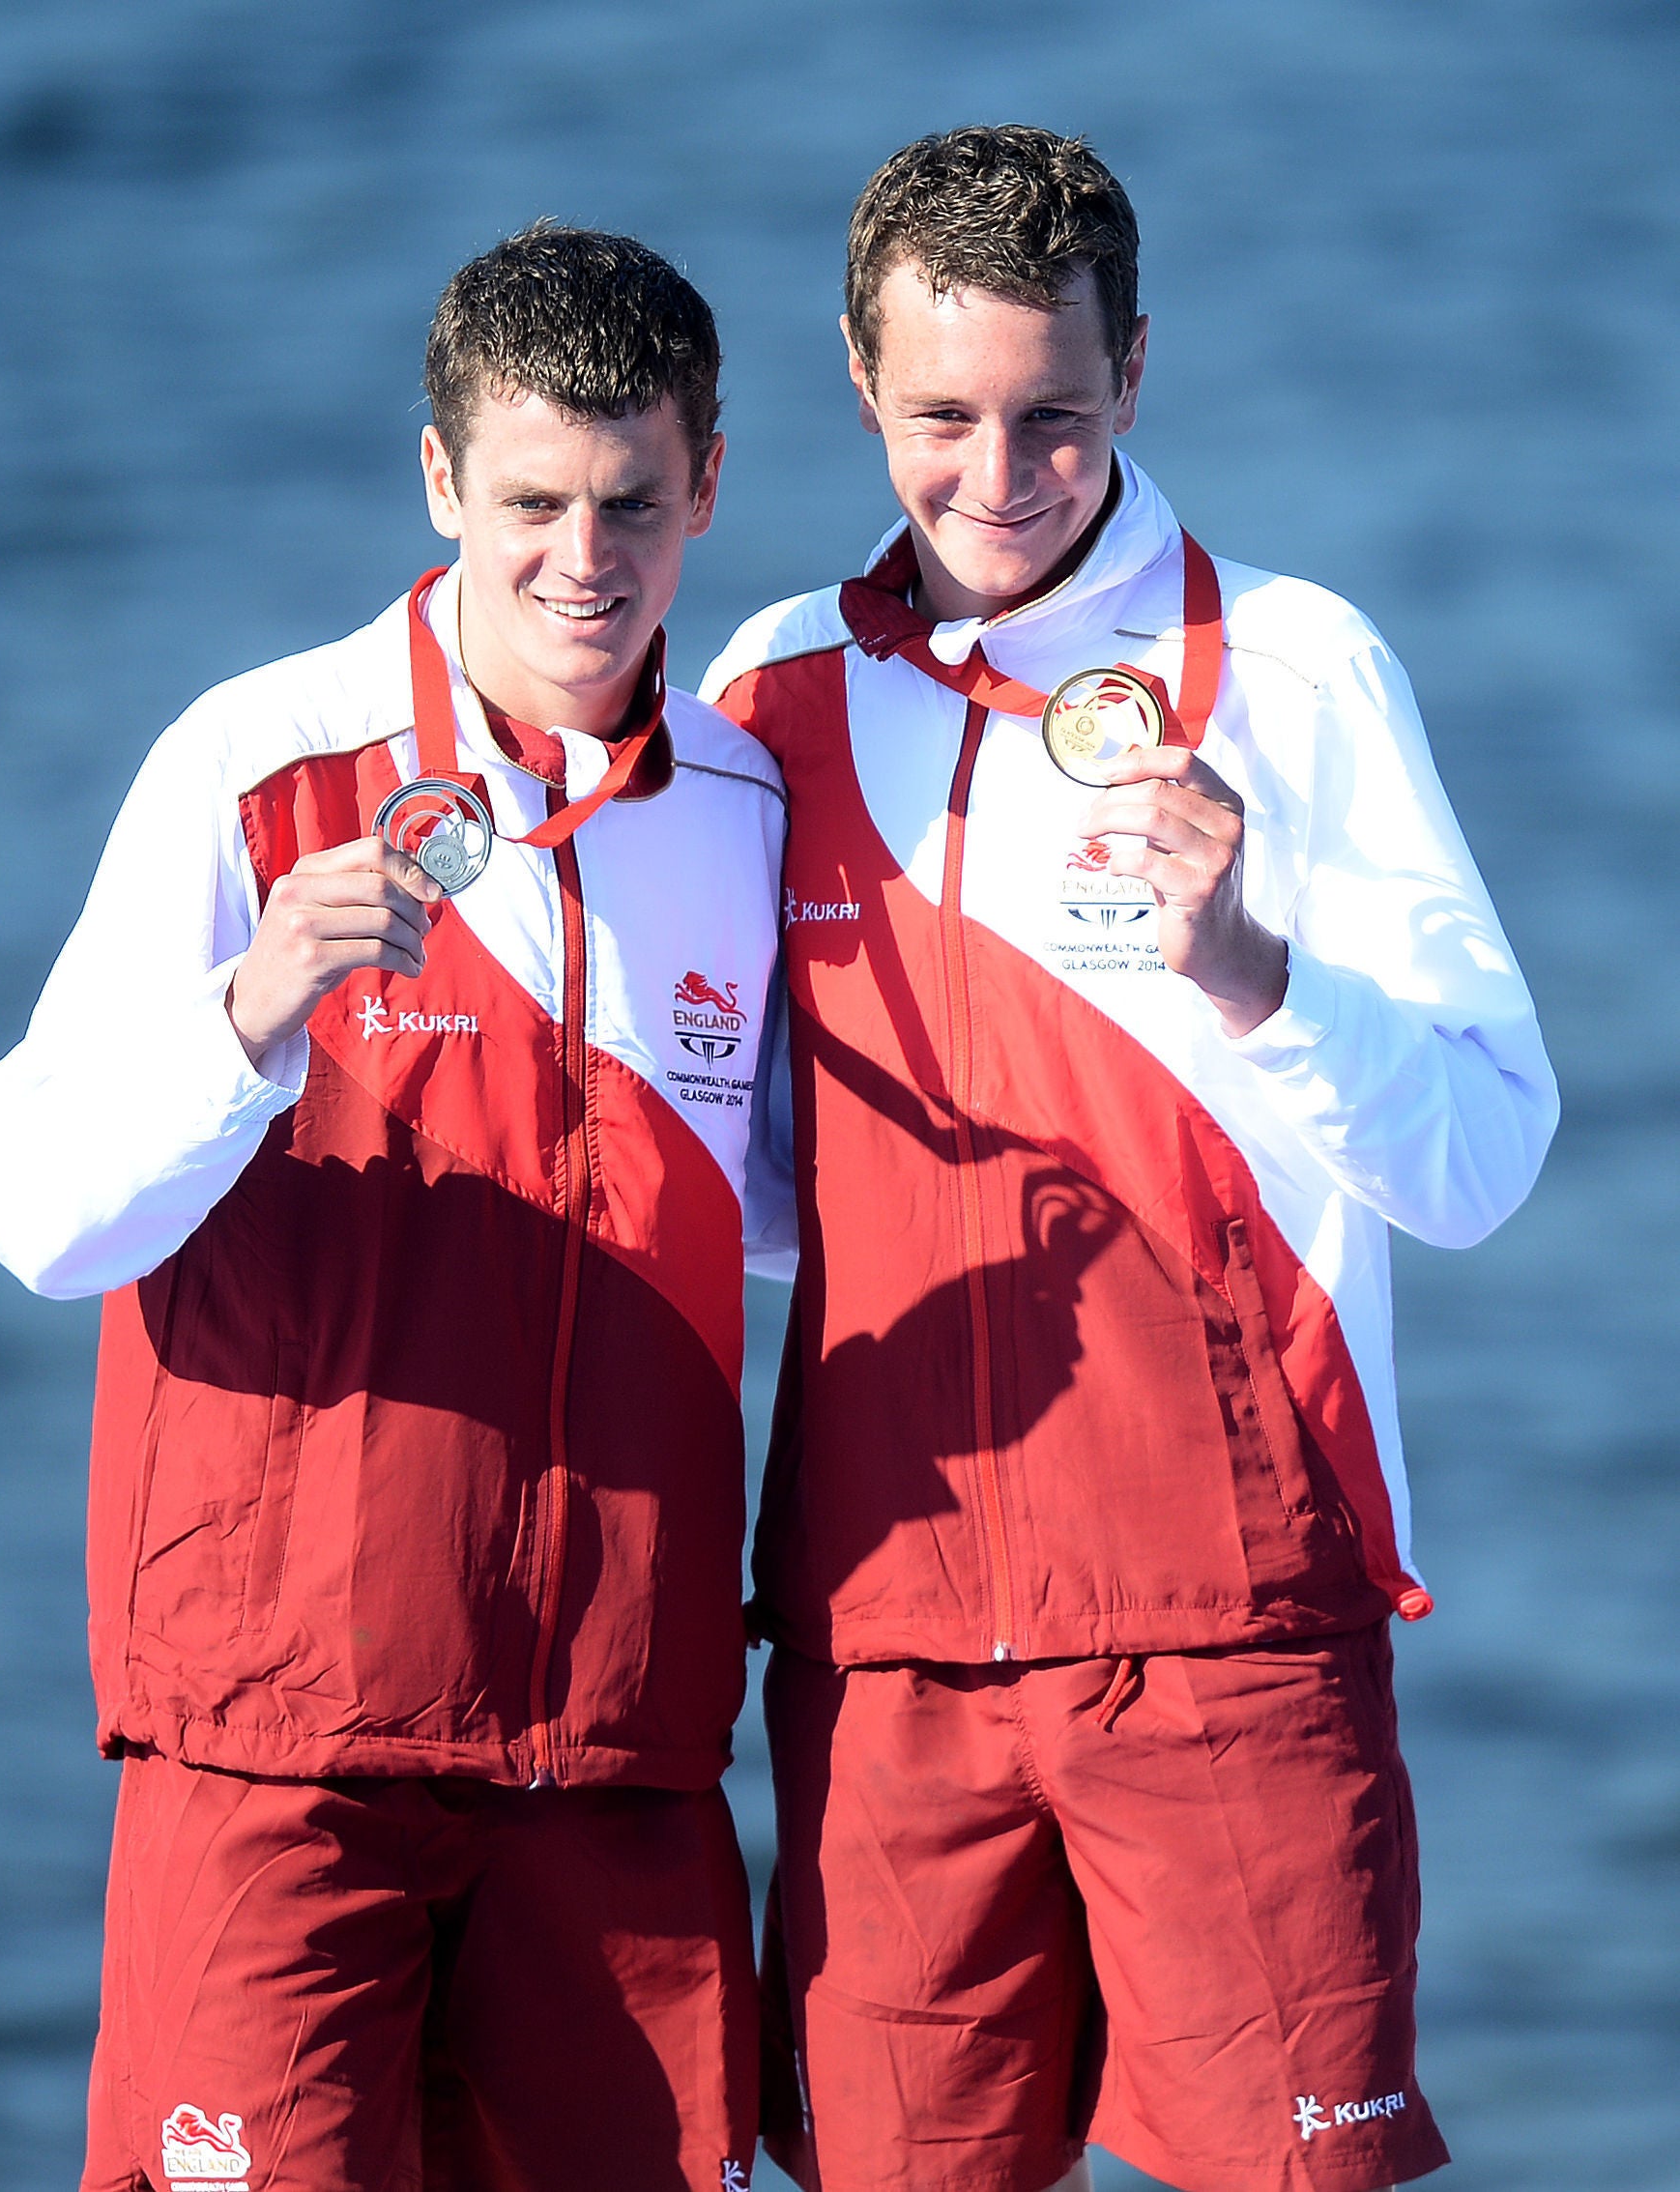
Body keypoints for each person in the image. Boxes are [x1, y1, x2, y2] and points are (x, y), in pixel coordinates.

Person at [703, 126, 1557, 2192]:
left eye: (1054, 420)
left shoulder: (1303, 669)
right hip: (887, 1641)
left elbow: (1484, 1159)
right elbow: (748, 1188)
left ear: (1140, 373)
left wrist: (1263, 978)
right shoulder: (763, 696)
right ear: (853, 378)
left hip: (1234, 1625)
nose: (998, 483)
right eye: (941, 421)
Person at [0, 223, 790, 2192]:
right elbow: (35, 1203)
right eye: (529, 504)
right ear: (438, 481)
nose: (581, 562)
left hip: (618, 1768)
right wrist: (250, 1017)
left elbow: (781, 1209)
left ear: (709, 484)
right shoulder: (258, 769)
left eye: (631, 504)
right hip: (283, 1763)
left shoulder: (747, 811)